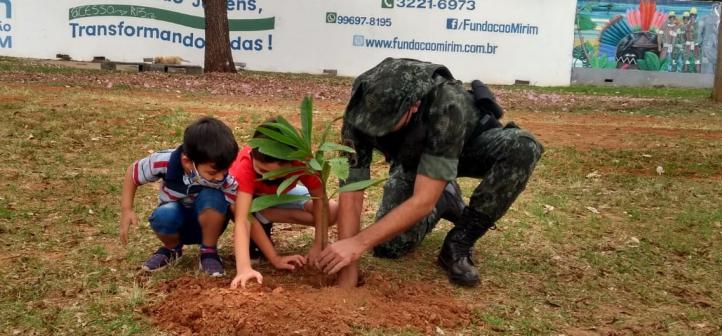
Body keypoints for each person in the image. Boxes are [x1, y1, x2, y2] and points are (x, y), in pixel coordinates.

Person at [318, 58, 543, 287]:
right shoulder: (361, 108)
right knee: (390, 246)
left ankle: (460, 241)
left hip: (466, 147)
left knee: (523, 147)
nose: (376, 131)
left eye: (386, 125)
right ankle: (445, 198)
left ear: (413, 106)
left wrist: (358, 243)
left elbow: (422, 200)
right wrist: (347, 274)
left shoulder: (446, 106)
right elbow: (351, 191)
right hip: (414, 159)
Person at [119, 117, 239, 276]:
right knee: (164, 214)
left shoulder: (224, 178)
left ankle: (209, 251)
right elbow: (132, 173)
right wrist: (127, 210)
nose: (220, 177)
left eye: (225, 170)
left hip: (210, 224)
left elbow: (238, 210)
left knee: (213, 197)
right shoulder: (164, 161)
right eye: (213, 172)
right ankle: (172, 249)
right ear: (188, 162)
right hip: (174, 222)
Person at [229, 122, 338, 289]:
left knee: (331, 210)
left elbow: (319, 198)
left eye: (277, 174)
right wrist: (247, 267)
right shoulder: (245, 166)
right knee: (237, 207)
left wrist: (319, 244)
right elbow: (242, 219)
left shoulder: (303, 161)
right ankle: (259, 220)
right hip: (248, 200)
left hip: (278, 198)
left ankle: (263, 216)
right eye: (262, 171)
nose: (269, 178)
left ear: (292, 161)